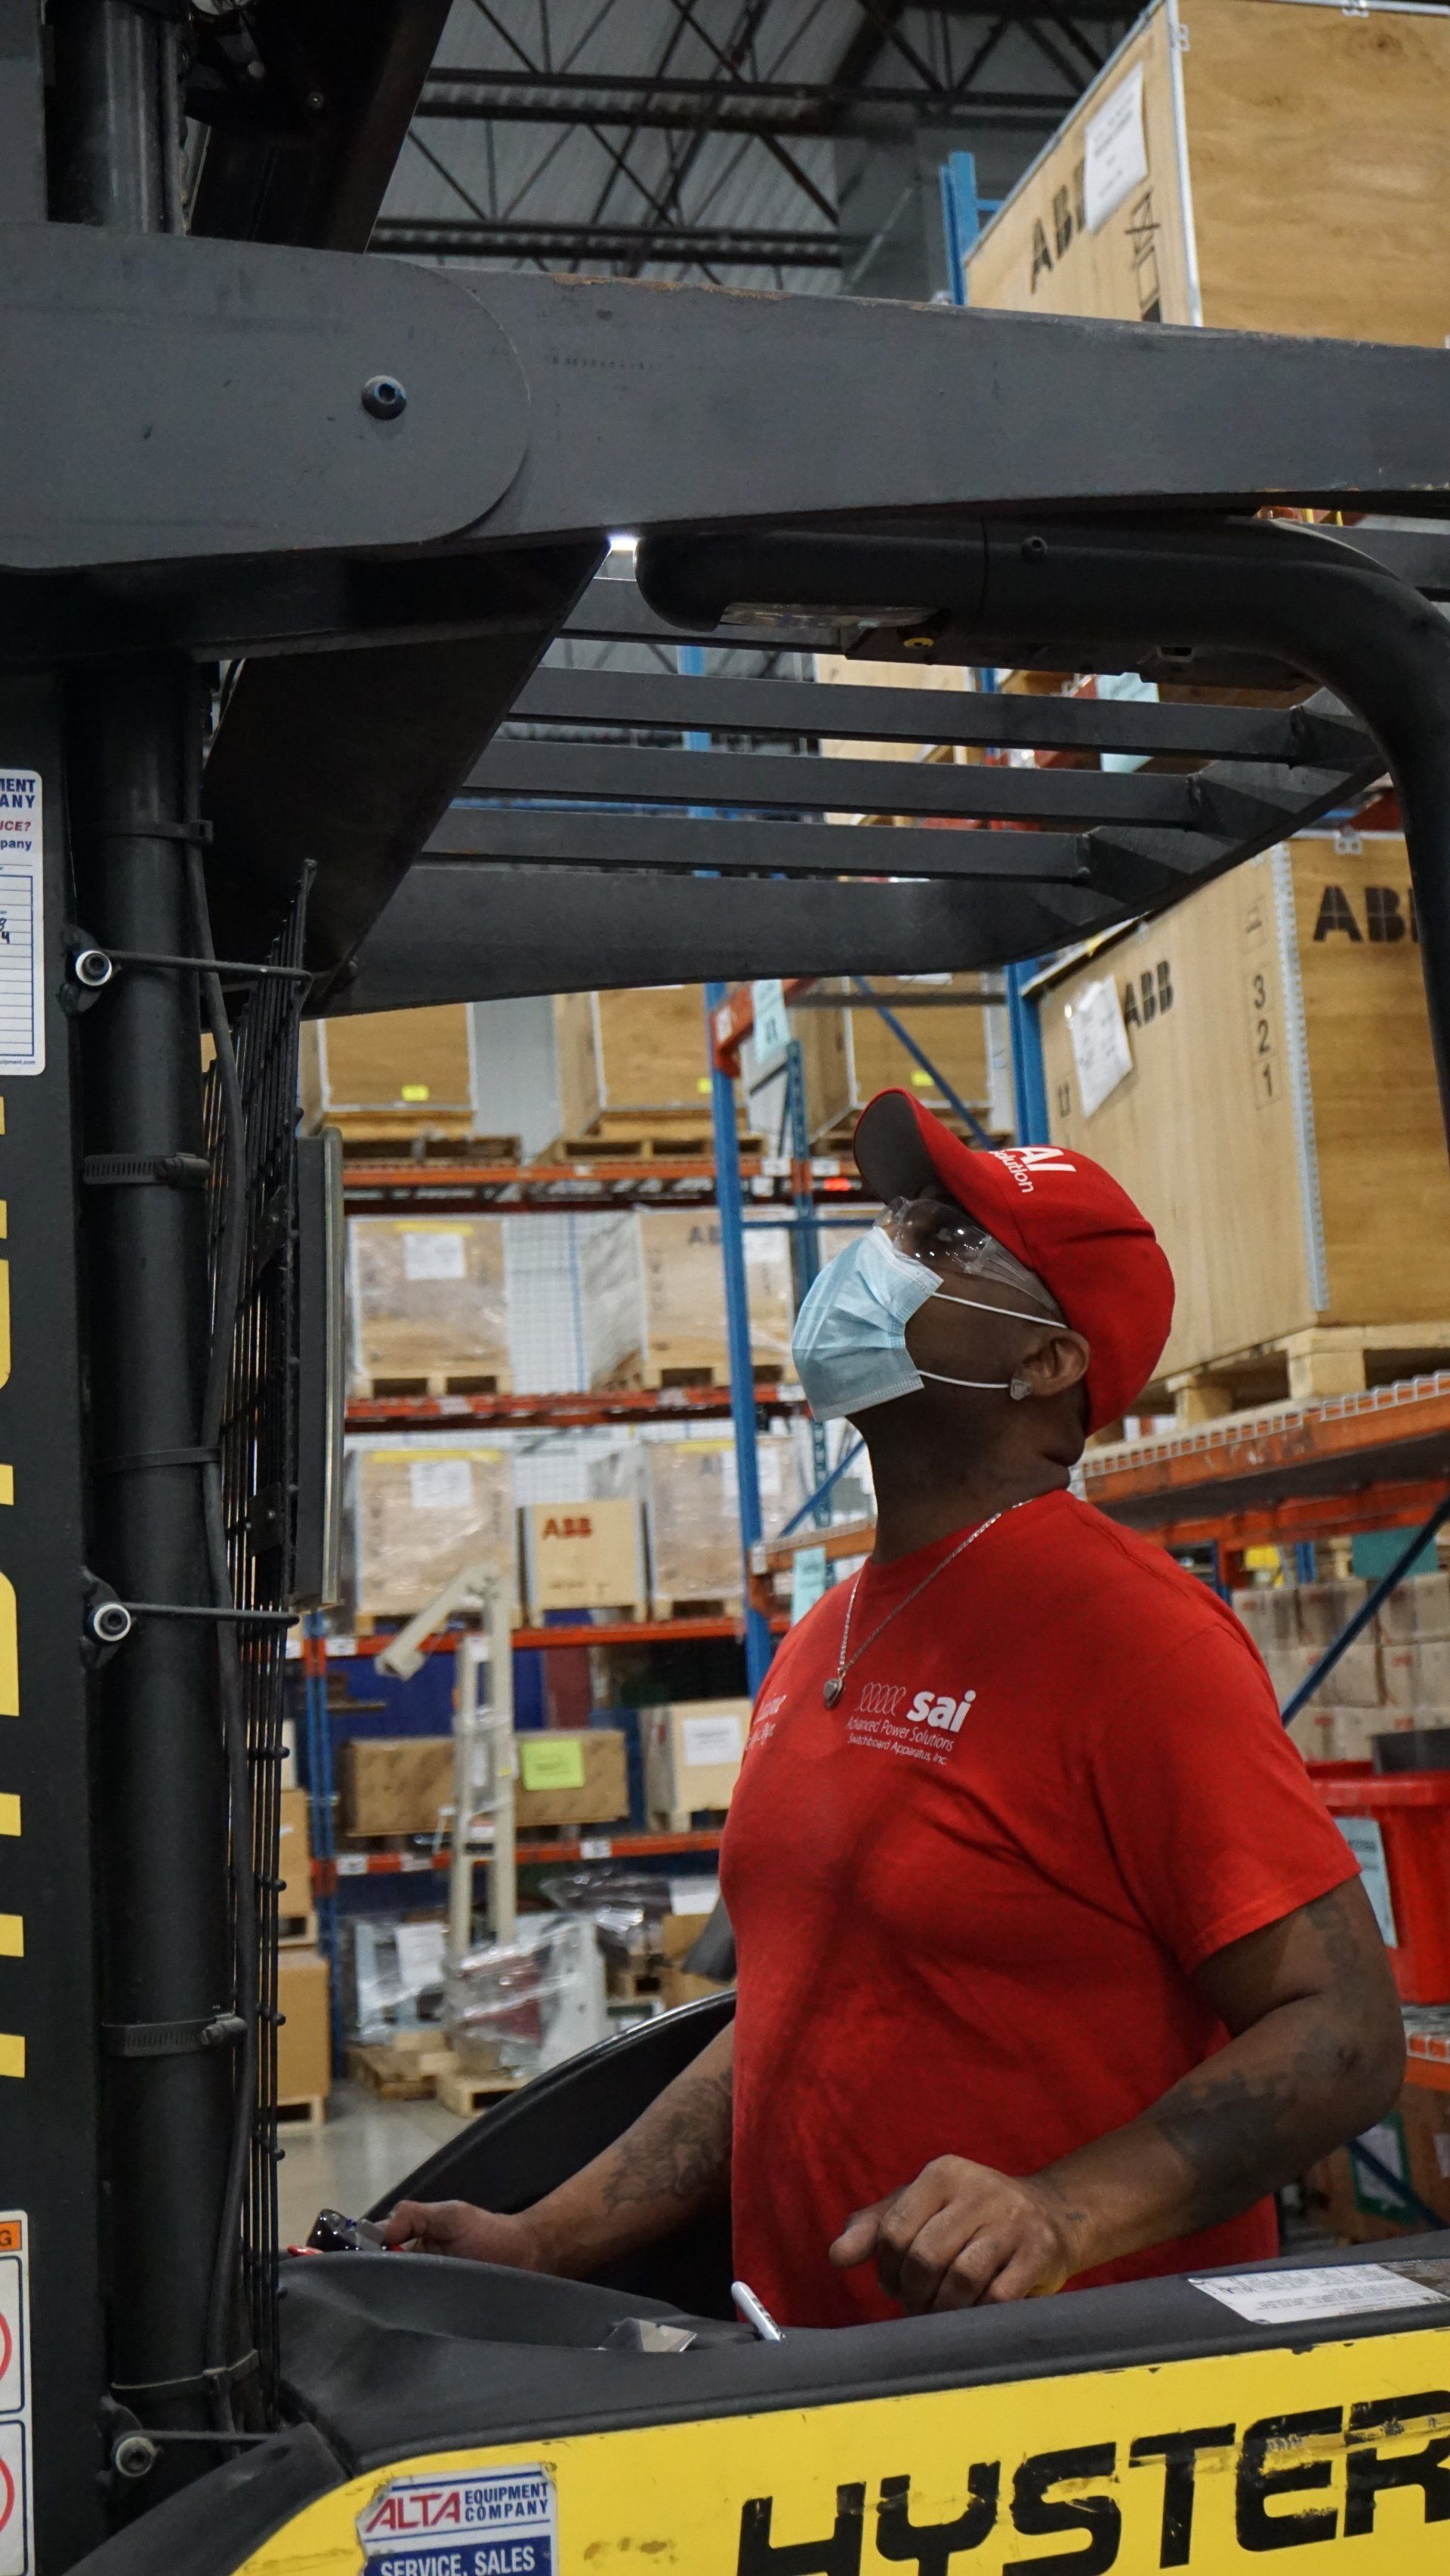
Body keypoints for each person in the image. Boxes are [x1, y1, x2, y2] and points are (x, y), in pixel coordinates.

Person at [384, 1088, 1403, 2325]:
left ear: (1047, 1362)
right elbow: (791, 2015)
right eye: (899, 1220)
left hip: (1055, 2388)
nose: (883, 1254)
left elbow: (1343, 2029)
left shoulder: (1135, 1640)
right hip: (816, 2377)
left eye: (946, 1239)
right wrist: (545, 2239)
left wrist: (1061, 2211)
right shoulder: (830, 1630)